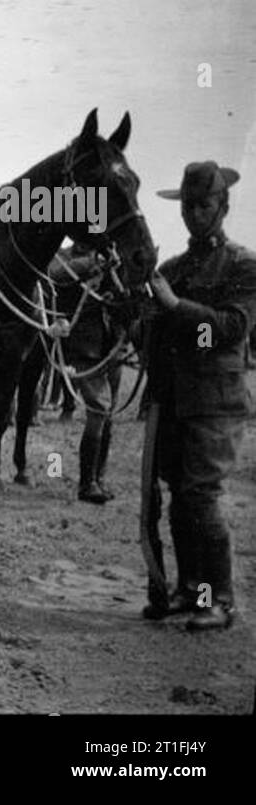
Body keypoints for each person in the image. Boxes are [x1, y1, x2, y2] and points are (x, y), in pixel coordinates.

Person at [142, 161, 256, 631]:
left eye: (203, 205)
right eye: (187, 206)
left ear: (223, 206)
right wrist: (142, 323)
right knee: (178, 497)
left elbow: (231, 328)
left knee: (202, 496)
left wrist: (173, 306)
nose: (193, 214)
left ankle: (221, 598)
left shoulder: (243, 265)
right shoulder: (170, 268)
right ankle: (192, 589)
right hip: (171, 401)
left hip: (214, 403)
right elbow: (153, 331)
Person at [48, 238, 124, 503]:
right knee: (99, 410)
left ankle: (98, 478)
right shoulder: (62, 256)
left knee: (108, 413)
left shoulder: (109, 255)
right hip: (82, 344)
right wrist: (94, 263)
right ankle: (87, 483)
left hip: (111, 344)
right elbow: (54, 276)